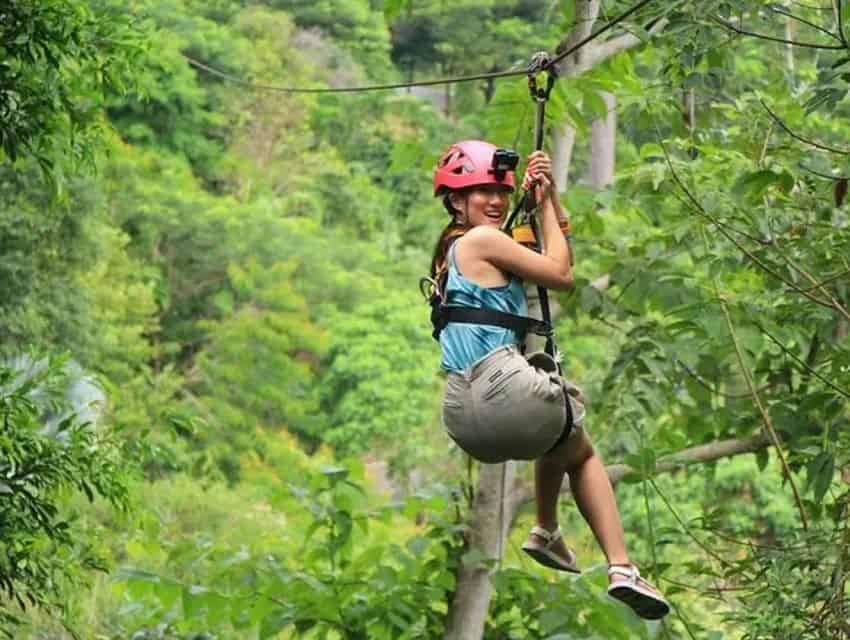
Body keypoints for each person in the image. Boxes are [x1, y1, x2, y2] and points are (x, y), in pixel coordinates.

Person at [428, 140, 670, 620]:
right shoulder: (482, 241)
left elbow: (543, 250)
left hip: (461, 411)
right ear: (457, 200)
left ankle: (546, 531)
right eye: (481, 192)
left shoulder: (451, 252)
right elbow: (560, 272)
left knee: (555, 433)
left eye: (500, 190)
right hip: (500, 386)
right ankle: (619, 565)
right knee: (579, 449)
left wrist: (548, 200)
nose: (495, 200)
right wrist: (542, 203)